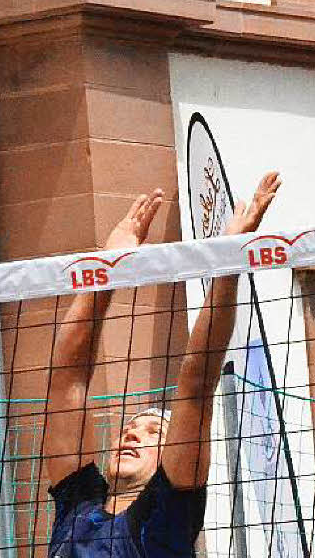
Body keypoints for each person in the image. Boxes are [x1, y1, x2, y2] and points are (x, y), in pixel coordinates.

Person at [43, 173, 281, 558]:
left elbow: (196, 385)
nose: (131, 434)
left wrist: (227, 265)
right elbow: (67, 378)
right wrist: (105, 267)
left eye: (153, 430)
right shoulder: (77, 506)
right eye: (130, 427)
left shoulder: (167, 513)